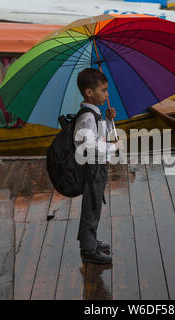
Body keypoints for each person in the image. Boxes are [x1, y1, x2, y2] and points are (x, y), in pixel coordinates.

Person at [74, 68, 123, 264]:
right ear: (89, 92)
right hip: (92, 167)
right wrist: (113, 148)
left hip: (97, 166)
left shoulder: (94, 114)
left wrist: (109, 121)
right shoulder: (87, 117)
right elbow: (91, 145)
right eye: (103, 90)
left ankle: (90, 240)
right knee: (91, 206)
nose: (107, 94)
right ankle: (88, 249)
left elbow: (98, 135)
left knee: (94, 205)